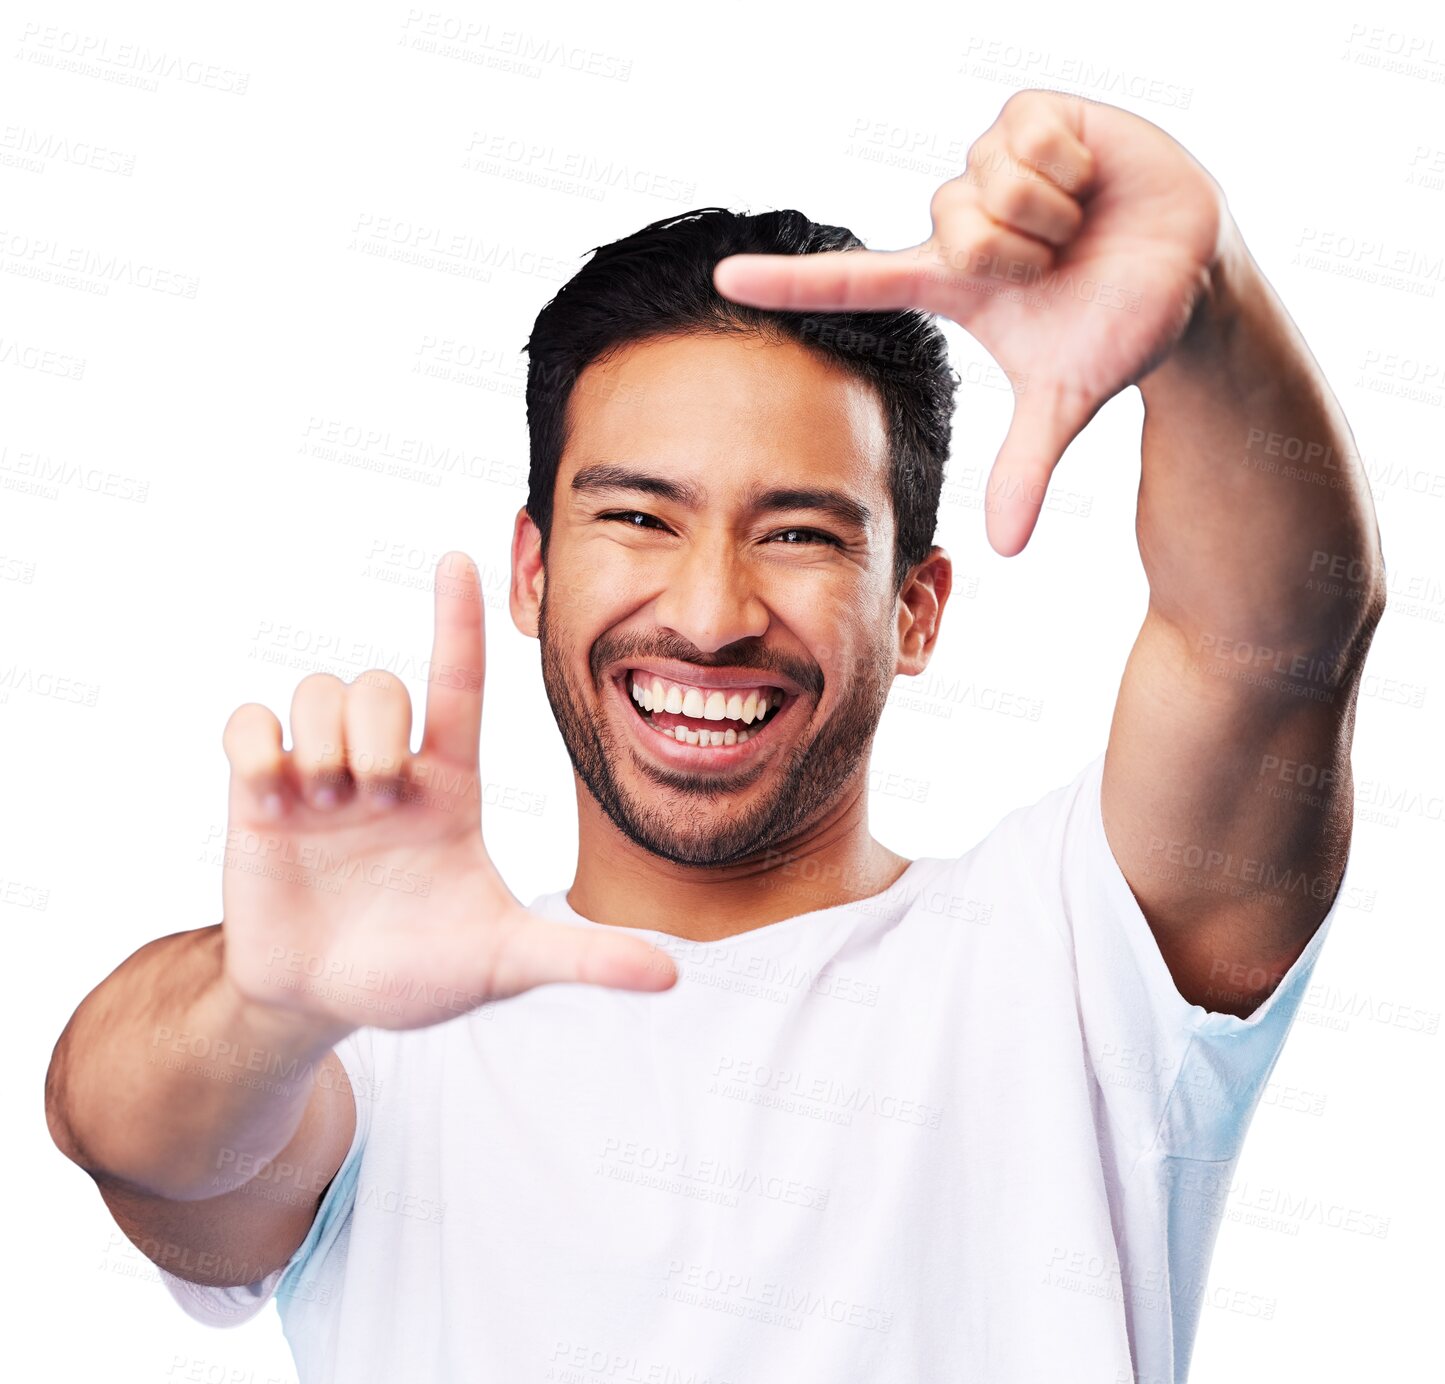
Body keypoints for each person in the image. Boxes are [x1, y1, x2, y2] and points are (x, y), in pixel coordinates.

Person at [45, 90, 1384, 1383]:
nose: (706, 614)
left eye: (798, 532)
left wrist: (1206, 316)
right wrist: (268, 1005)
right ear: (531, 571)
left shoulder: (1077, 967)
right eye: (638, 517)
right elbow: (129, 1136)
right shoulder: (370, 1037)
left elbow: (1270, 650)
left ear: (914, 609)